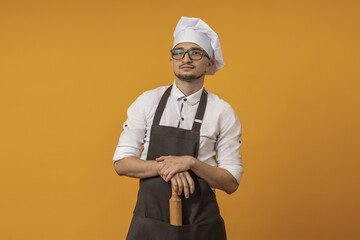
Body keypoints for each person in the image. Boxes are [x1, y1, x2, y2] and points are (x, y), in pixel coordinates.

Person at [113, 16, 243, 240]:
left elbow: (231, 182)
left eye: (195, 52)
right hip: (150, 223)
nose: (186, 58)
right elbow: (122, 163)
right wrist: (172, 166)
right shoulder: (147, 101)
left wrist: (191, 163)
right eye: (179, 52)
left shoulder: (222, 112)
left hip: (201, 226)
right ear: (172, 60)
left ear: (209, 62)